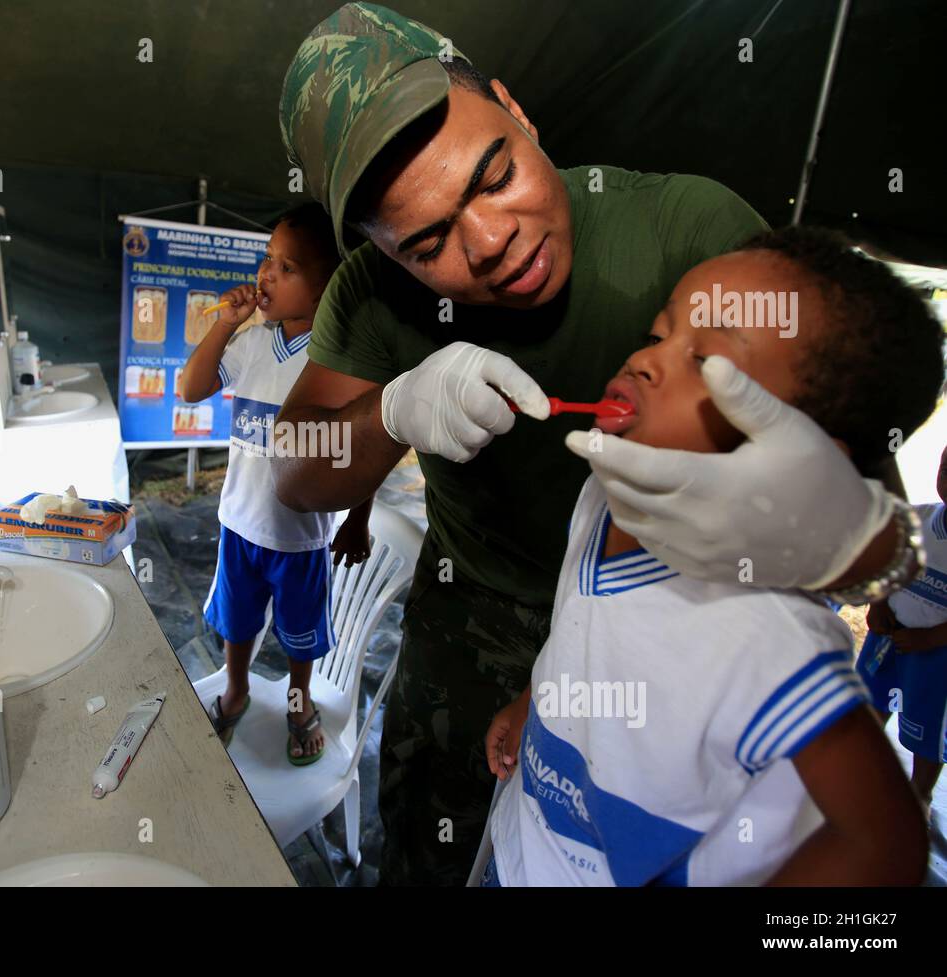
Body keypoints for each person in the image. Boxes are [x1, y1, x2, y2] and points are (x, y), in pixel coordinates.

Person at [273, 2, 921, 884]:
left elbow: (885, 550)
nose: (491, 240)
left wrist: (824, 531)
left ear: (515, 107)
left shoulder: (689, 234)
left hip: (686, 642)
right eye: (428, 242)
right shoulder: (370, 298)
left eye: (495, 175)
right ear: (384, 254)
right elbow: (294, 473)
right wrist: (392, 411)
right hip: (477, 636)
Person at [481, 226, 939, 885]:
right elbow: (587, 631)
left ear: (797, 459)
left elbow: (887, 843)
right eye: (658, 332)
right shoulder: (603, 495)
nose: (644, 360)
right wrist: (537, 700)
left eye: (707, 361)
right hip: (523, 851)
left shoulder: (767, 631)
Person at [180, 203, 373, 764]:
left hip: (301, 539)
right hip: (240, 526)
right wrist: (224, 324)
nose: (266, 274)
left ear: (324, 291)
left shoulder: (335, 364)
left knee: (300, 636)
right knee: (237, 625)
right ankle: (236, 690)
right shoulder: (251, 345)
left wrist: (357, 521)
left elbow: (357, 454)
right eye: (267, 259)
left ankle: (298, 699)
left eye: (286, 268)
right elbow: (192, 388)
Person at [860, 441, 947, 809]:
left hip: (937, 657)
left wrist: (933, 636)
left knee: (928, 731)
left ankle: (919, 796)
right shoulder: (917, 519)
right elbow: (882, 563)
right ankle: (856, 774)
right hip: (887, 637)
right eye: (946, 464)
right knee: (868, 705)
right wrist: (878, 601)